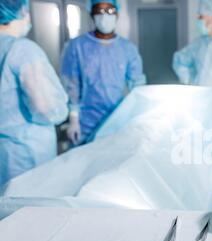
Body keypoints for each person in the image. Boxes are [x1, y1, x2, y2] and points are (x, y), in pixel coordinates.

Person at [0, 0, 68, 187]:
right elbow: (45, 107)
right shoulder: (22, 50)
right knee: (26, 210)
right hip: (24, 154)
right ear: (20, 13)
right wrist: (61, 113)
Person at [61, 0, 146, 146]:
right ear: (91, 14)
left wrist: (139, 116)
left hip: (117, 119)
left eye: (110, 11)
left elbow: (137, 86)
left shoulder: (127, 48)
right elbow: (71, 86)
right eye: (99, 11)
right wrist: (74, 120)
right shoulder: (76, 47)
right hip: (86, 122)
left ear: (117, 14)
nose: (105, 16)